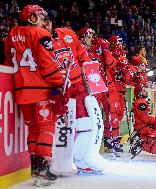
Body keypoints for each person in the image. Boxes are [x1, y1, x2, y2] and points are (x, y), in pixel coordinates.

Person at [4, 5, 64, 186]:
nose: (44, 20)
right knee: (46, 128)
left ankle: (36, 169)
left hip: (21, 92)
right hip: (41, 90)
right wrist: (60, 82)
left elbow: (8, 56)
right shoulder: (41, 34)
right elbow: (47, 64)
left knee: (34, 130)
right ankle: (43, 171)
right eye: (40, 16)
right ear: (31, 17)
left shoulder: (12, 34)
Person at [44, 18, 107, 174]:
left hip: (78, 86)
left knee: (86, 122)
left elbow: (83, 56)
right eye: (41, 23)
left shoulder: (67, 34)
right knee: (62, 126)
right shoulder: (40, 42)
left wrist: (91, 81)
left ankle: (81, 158)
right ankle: (63, 160)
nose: (45, 25)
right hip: (59, 88)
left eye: (47, 21)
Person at [130, 85, 156, 155]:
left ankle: (139, 140)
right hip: (142, 127)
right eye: (144, 91)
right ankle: (139, 144)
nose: (146, 92)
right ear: (139, 93)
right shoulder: (141, 103)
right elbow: (145, 119)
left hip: (141, 126)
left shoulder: (139, 101)